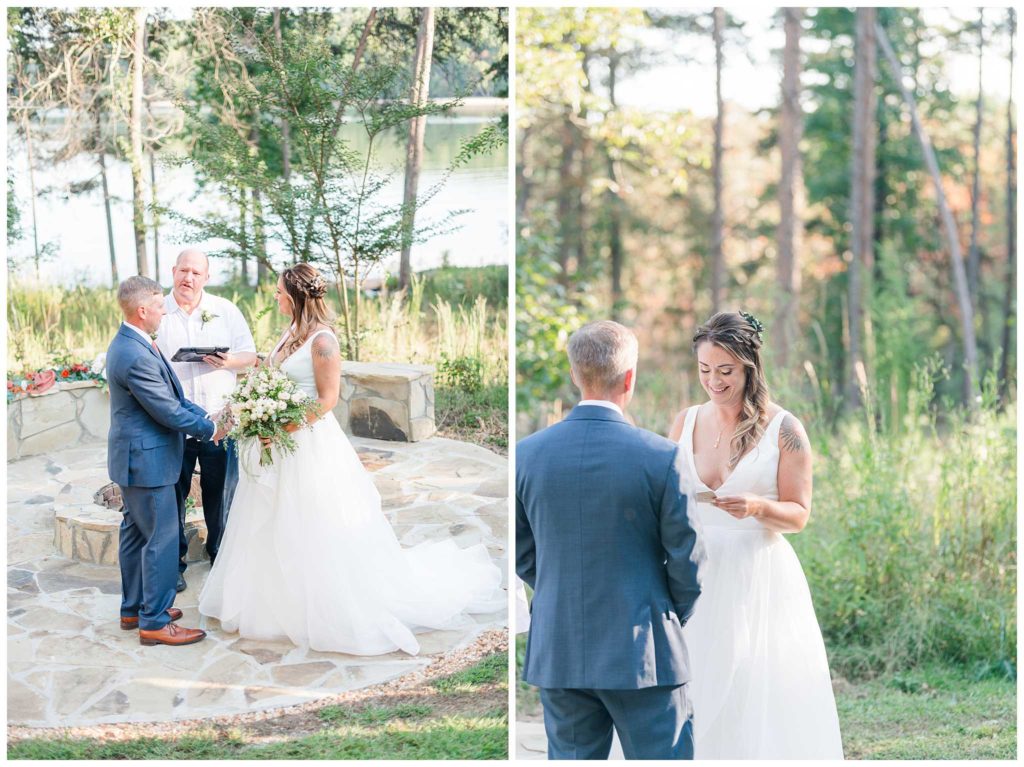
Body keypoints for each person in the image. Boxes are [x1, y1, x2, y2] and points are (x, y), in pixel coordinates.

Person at [198, 263, 504, 654]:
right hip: (276, 445)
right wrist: (243, 382)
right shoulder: (292, 331)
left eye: (278, 292)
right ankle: (274, 603)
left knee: (310, 524)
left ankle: (322, 606)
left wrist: (277, 429)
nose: (275, 297)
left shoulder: (324, 341)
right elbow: (273, 370)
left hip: (305, 444)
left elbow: (326, 401)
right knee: (269, 520)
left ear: (294, 296)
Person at [516, 320, 704, 760]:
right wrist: (664, 612)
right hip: (645, 653)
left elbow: (524, 551)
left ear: (575, 374)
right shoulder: (662, 456)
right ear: (630, 378)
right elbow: (688, 559)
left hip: (560, 647)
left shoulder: (526, 454)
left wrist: (559, 589)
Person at [667, 310, 844, 759]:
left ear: (749, 366)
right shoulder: (684, 422)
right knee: (693, 685)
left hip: (757, 575)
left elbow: (799, 514)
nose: (714, 381)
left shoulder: (785, 429)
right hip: (694, 572)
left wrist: (758, 507)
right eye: (705, 370)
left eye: (725, 371)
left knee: (751, 687)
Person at [106, 276, 227, 647]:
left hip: (136, 459)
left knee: (136, 533)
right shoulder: (134, 353)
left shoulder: (134, 342)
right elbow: (166, 410)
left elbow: (173, 395)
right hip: (148, 461)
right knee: (161, 537)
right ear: (143, 311)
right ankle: (155, 621)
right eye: (159, 306)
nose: (164, 311)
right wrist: (210, 429)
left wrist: (204, 415)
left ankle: (135, 608)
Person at [155, 249, 257, 591]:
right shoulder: (159, 312)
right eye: (184, 270)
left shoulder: (225, 310)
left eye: (196, 273)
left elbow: (250, 355)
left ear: (207, 278)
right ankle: (175, 566)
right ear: (173, 272)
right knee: (172, 499)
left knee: (222, 497)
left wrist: (226, 362)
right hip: (174, 425)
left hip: (219, 421)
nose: (189, 278)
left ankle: (221, 559)